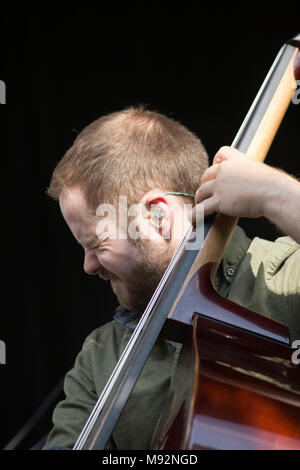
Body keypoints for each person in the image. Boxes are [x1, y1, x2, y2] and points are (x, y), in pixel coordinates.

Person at [43, 107, 300, 450]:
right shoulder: (101, 356)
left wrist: (277, 193)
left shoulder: (286, 276)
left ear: (158, 217)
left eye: (96, 243)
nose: (88, 266)